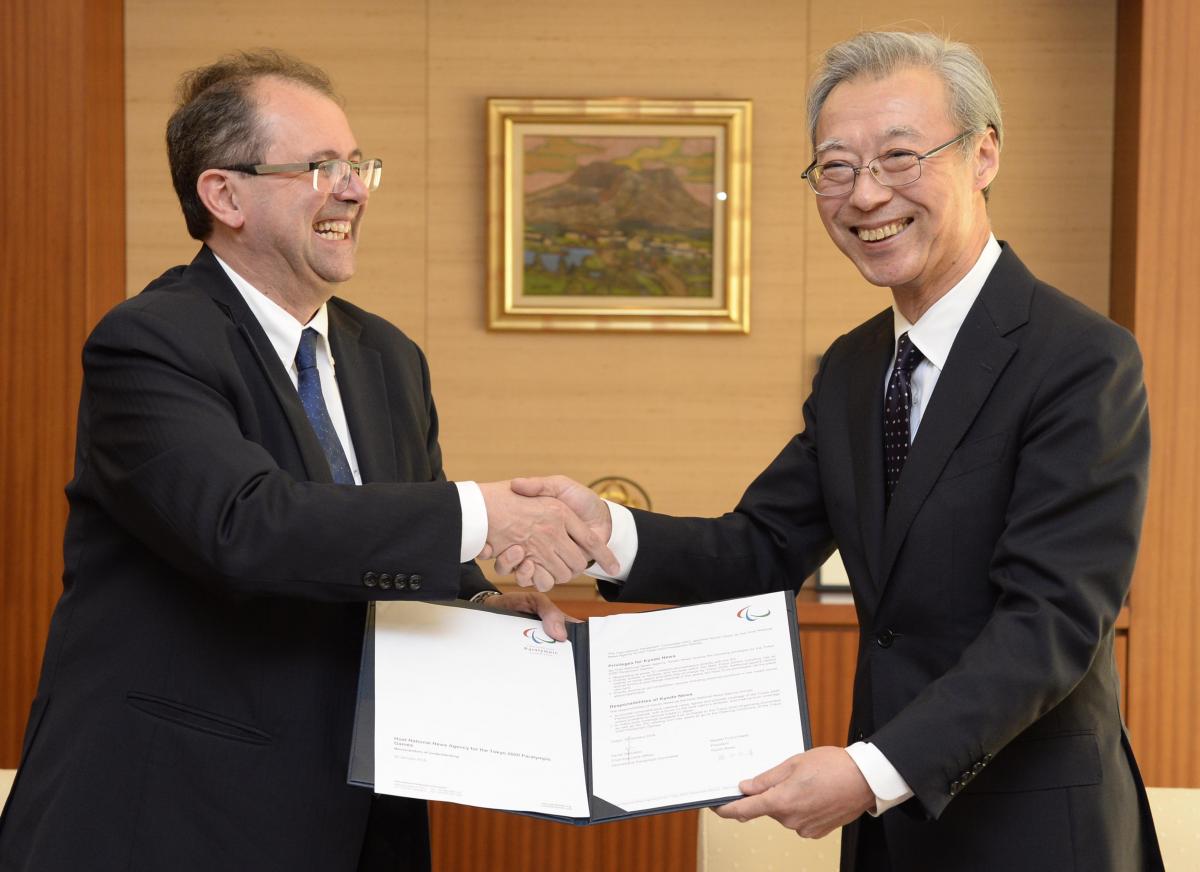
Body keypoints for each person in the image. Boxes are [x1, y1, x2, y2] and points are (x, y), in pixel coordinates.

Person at [499, 31, 1164, 872]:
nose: (865, 195)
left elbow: (1052, 623)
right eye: (836, 168)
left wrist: (868, 770)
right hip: (890, 839)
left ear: (983, 153)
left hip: (1032, 834)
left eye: (898, 157)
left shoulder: (1079, 358)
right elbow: (763, 545)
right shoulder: (855, 367)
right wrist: (604, 533)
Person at [0, 50, 615, 872]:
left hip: (359, 813)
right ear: (225, 196)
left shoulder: (388, 357)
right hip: (174, 816)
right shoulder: (150, 343)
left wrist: (476, 609)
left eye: (358, 165)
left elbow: (389, 552)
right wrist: (480, 513)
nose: (355, 189)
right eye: (323, 167)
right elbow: (246, 527)